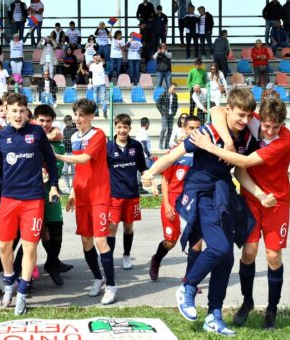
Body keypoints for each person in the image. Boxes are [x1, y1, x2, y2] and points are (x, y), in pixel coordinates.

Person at [141, 88, 274, 336]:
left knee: (226, 257)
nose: (244, 120)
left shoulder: (246, 137)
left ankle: (214, 315)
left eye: (248, 115)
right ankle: (188, 287)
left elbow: (240, 171)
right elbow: (173, 155)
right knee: (219, 247)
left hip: (222, 192)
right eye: (240, 115)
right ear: (229, 110)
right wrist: (150, 173)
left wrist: (259, 195)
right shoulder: (207, 132)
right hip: (200, 192)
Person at [193, 98, 290, 330]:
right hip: (252, 197)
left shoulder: (285, 140)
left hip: (276, 201)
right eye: (266, 126)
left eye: (274, 127)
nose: (268, 131)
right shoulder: (254, 122)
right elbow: (218, 109)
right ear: (262, 120)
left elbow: (246, 161)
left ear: (282, 125)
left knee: (273, 256)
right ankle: (247, 302)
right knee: (249, 251)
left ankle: (272, 309)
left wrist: (210, 146)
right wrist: (227, 140)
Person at [0, 93, 59, 314]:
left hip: (33, 199)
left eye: (22, 111)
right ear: (6, 110)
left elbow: (50, 160)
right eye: (14, 110)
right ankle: (9, 282)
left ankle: (22, 293)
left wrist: (53, 184)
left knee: (30, 246)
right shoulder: (2, 137)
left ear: (27, 111)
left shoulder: (37, 132)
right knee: (4, 246)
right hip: (8, 199)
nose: (18, 115)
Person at [55, 99, 116, 305]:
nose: (78, 118)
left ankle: (112, 286)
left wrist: (55, 155)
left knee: (101, 241)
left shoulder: (98, 134)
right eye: (76, 114)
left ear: (91, 116)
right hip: (82, 195)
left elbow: (84, 159)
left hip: (99, 195)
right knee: (86, 241)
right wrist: (73, 191)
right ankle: (98, 278)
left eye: (82, 115)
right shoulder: (73, 135)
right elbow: (78, 170)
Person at [149, 115, 202, 281]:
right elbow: (165, 180)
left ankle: (189, 280)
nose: (194, 131)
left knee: (197, 243)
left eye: (197, 128)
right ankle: (156, 259)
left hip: (194, 202)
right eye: (191, 128)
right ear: (185, 129)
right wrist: (166, 204)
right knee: (170, 241)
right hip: (173, 200)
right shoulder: (175, 152)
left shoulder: (205, 152)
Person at [34, 104, 71, 285]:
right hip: (32, 194)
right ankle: (51, 266)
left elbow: (58, 166)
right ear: (34, 120)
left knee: (57, 229)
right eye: (41, 120)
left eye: (49, 121)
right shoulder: (30, 137)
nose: (45, 124)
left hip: (52, 192)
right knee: (40, 232)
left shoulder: (58, 142)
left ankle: (52, 262)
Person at [106, 113, 147, 271]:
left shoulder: (136, 146)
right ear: (115, 128)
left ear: (129, 128)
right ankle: (108, 257)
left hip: (131, 194)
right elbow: (101, 170)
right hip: (114, 195)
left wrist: (149, 182)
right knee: (112, 227)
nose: (122, 130)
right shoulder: (108, 146)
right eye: (119, 127)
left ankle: (126, 255)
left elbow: (143, 168)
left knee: (128, 227)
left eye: (125, 127)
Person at [156, 83, 178, 150]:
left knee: (170, 130)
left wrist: (174, 113)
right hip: (165, 114)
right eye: (174, 88)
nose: (175, 90)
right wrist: (162, 112)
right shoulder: (164, 94)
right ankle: (160, 144)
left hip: (171, 115)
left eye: (175, 89)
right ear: (170, 88)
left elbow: (176, 105)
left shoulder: (175, 96)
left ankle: (166, 144)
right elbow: (158, 103)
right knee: (164, 128)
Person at [89, 54, 108, 118]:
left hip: (102, 84)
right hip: (94, 84)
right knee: (95, 99)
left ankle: (104, 112)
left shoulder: (101, 64)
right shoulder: (91, 66)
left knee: (103, 99)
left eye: (97, 58)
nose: (96, 59)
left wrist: (100, 59)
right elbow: (90, 75)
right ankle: (96, 112)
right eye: (94, 58)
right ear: (93, 59)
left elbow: (105, 64)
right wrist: (90, 83)